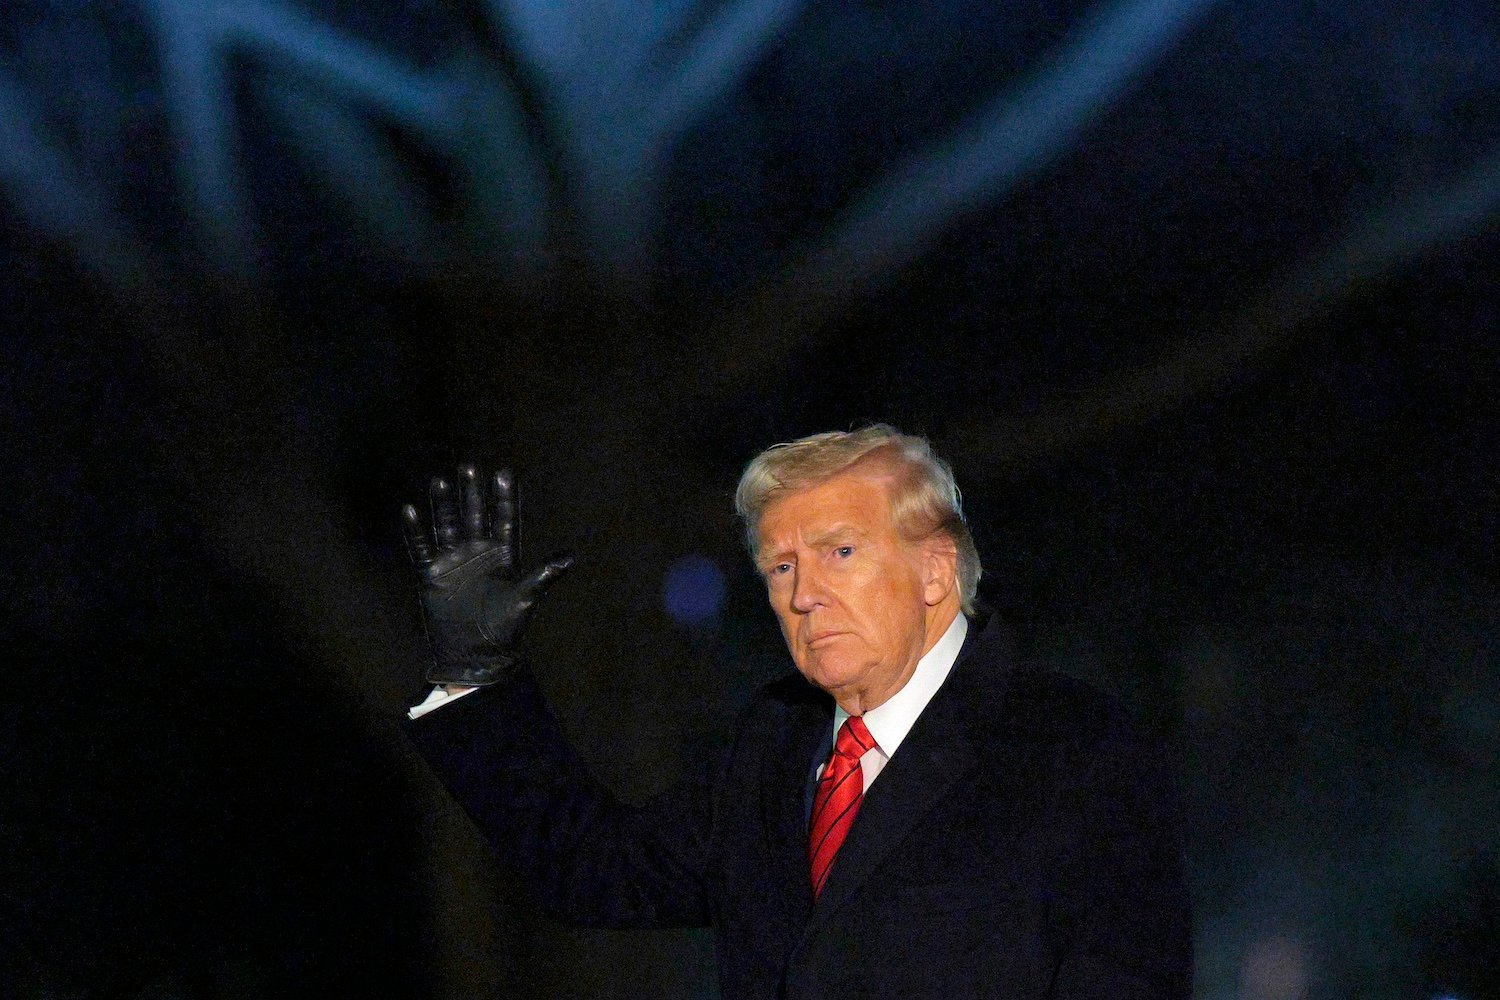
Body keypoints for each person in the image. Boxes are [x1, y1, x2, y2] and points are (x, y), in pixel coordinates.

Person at [400, 424, 1191, 999]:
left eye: (840, 553)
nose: (803, 595)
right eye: (781, 566)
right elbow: (595, 873)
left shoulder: (1075, 751)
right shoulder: (774, 742)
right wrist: (475, 676)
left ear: (934, 572)